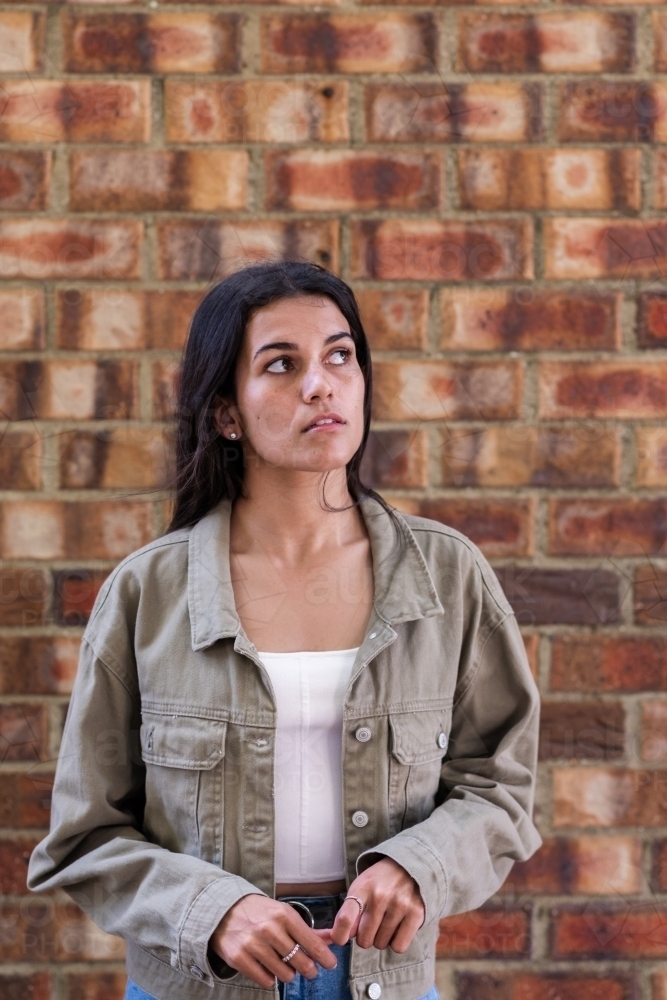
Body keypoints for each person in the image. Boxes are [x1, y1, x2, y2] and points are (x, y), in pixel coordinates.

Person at [28, 260, 543, 1000]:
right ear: (226, 412)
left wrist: (417, 865)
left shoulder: (446, 577)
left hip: (381, 979)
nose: (319, 384)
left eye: (339, 356)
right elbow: (83, 840)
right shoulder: (149, 593)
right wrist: (213, 913)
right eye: (281, 364)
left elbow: (500, 785)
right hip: (204, 982)